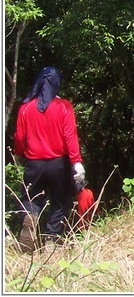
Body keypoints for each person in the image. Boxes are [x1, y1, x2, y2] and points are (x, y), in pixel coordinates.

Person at [13, 66, 85, 252]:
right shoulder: (64, 107)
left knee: (31, 198)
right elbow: (70, 136)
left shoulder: (25, 108)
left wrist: (18, 154)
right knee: (59, 201)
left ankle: (31, 217)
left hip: (33, 163)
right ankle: (52, 240)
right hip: (58, 164)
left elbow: (20, 137)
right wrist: (76, 162)